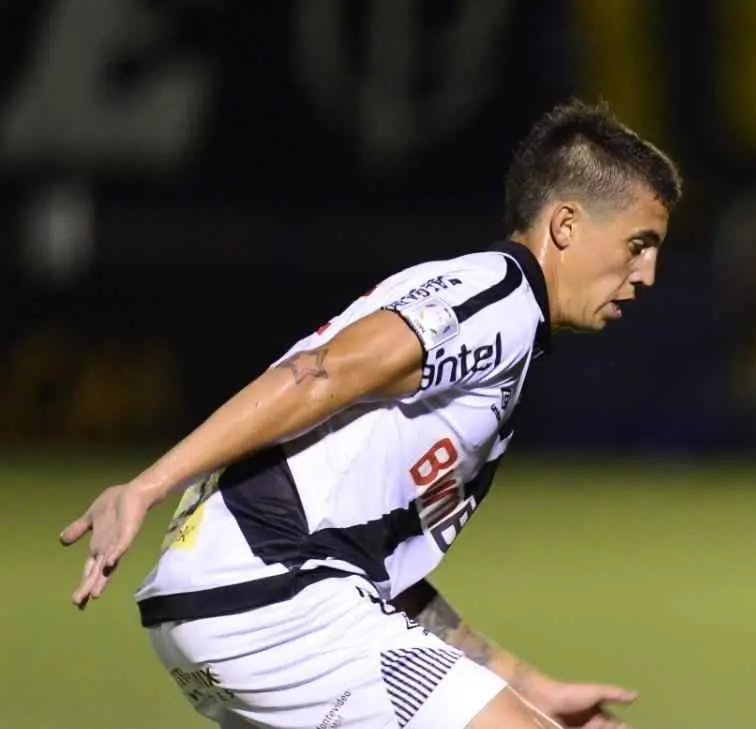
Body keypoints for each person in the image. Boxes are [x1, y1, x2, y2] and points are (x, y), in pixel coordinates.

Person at [57, 99, 681, 729]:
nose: (648, 272)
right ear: (566, 224)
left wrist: (526, 686)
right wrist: (147, 486)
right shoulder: (498, 303)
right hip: (275, 596)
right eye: (638, 244)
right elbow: (322, 373)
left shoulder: (491, 317)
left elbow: (375, 567)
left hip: (237, 603)